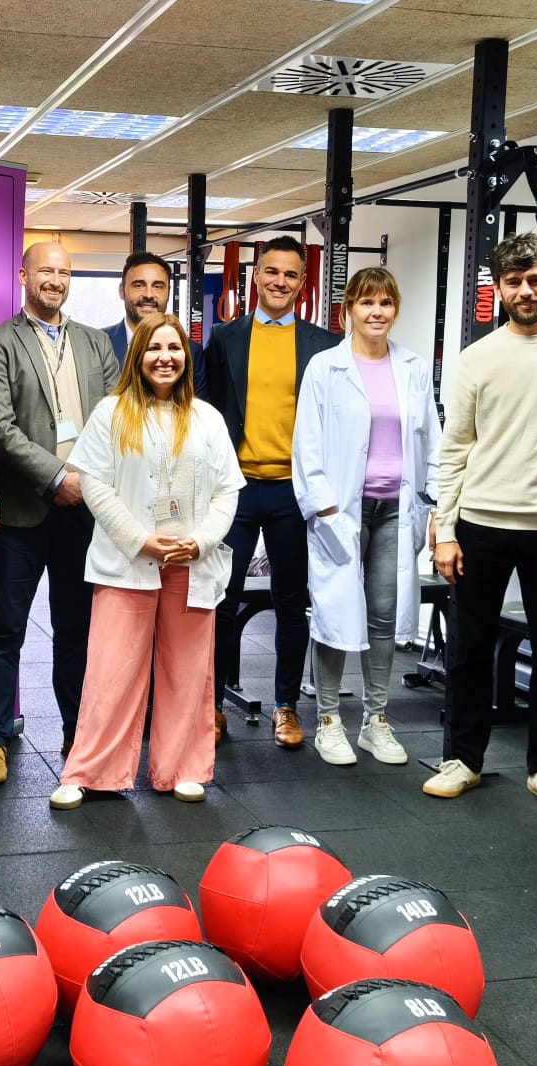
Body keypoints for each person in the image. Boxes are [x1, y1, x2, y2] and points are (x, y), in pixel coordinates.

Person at [424, 232, 537, 808]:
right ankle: (463, 759)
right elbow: (455, 448)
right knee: (470, 649)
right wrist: (446, 531)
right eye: (513, 282)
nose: (525, 291)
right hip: (481, 525)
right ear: (499, 290)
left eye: (534, 279)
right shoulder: (477, 358)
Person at [49, 313, 244, 810]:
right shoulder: (111, 413)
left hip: (191, 562)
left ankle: (183, 767)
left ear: (186, 358)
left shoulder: (207, 418)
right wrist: (139, 540)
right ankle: (90, 772)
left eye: (174, 348)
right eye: (154, 348)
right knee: (110, 670)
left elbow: (228, 492)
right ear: (138, 356)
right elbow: (95, 485)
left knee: (187, 671)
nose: (165, 357)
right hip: (127, 560)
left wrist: (200, 542)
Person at [0, 242, 119, 783]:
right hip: (22, 510)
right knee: (5, 628)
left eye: (64, 271)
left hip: (85, 510)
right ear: (23, 276)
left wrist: (85, 482)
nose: (55, 280)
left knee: (75, 629)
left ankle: (77, 735)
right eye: (45, 271)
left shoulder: (95, 342)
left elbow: (116, 417)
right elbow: (0, 428)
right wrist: (58, 477)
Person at [291, 267, 440, 767]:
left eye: (386, 303)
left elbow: (432, 440)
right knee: (335, 611)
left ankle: (376, 721)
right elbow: (307, 444)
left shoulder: (413, 367)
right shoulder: (325, 367)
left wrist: (435, 502)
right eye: (367, 303)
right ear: (349, 310)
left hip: (396, 508)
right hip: (342, 510)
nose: (377, 312)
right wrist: (325, 507)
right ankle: (329, 721)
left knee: (383, 614)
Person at [206, 236, 343, 748]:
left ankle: (286, 707)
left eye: (290, 274)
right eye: (271, 272)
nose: (279, 281)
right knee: (222, 600)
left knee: (290, 601)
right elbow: (210, 411)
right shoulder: (225, 338)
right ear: (256, 277)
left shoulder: (323, 345)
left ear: (302, 283)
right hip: (237, 490)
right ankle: (211, 705)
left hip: (293, 492)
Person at [103, 251, 207, 400]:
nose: (149, 295)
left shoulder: (191, 351)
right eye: (139, 285)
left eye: (158, 286)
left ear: (168, 292)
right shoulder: (99, 344)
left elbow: (198, 407)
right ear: (122, 291)